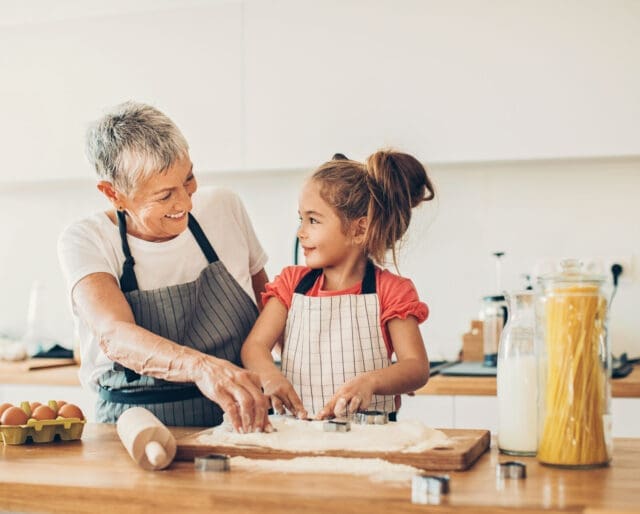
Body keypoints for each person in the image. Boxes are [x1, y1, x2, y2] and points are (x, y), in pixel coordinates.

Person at [58, 101, 270, 431]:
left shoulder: (224, 207)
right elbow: (115, 335)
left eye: (189, 179)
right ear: (113, 194)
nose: (185, 203)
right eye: (165, 195)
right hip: (133, 428)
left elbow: (267, 303)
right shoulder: (86, 240)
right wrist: (202, 368)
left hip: (240, 419)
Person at [241, 150, 435, 420]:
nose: (301, 232)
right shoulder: (291, 284)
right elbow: (254, 347)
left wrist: (370, 382)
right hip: (299, 431)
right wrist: (270, 376)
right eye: (301, 219)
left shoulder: (390, 291)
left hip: (371, 436)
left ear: (359, 229)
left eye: (313, 220)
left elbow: (416, 367)